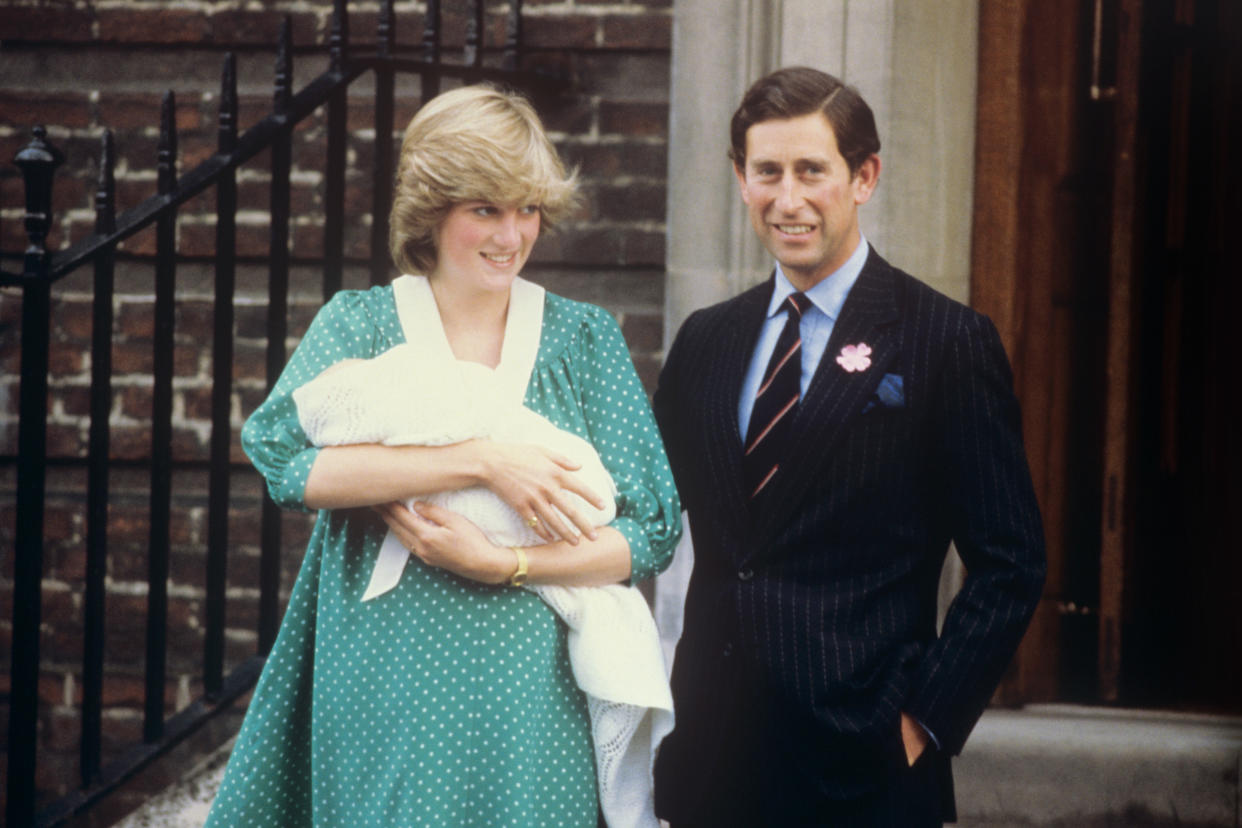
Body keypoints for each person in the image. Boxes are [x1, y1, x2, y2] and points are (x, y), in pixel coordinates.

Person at [206, 83, 681, 828]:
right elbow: (286, 464)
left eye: (527, 209)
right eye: (485, 209)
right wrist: (482, 461)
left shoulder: (582, 340)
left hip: (536, 697)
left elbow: (650, 530)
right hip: (387, 676)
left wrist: (508, 564)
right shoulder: (362, 326)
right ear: (433, 210)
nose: (511, 235)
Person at [651, 66, 1046, 826]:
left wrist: (922, 721)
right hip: (713, 764)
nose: (787, 198)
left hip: (865, 771)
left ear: (864, 176)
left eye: (812, 171)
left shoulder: (945, 341)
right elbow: (646, 511)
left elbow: (1012, 562)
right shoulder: (706, 341)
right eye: (767, 171)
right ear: (740, 178)